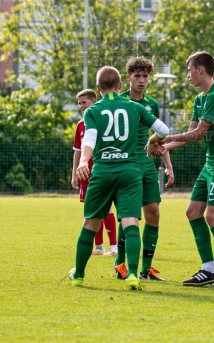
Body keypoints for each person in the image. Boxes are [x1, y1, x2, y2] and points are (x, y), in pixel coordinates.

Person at [66, 66, 168, 290]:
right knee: (131, 222)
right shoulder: (135, 107)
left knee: (90, 223)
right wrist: (152, 143)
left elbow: (89, 140)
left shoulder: (92, 111)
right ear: (120, 85)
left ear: (98, 88)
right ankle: (132, 274)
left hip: (103, 171)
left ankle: (80, 274)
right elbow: (163, 129)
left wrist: (84, 162)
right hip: (130, 172)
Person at [149, 51, 214, 289]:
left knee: (212, 216)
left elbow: (199, 133)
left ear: (200, 70)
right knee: (193, 212)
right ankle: (209, 269)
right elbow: (190, 135)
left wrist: (165, 137)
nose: (187, 75)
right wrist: (166, 145)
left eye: (189, 70)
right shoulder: (199, 99)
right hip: (211, 162)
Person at [113, 57, 174, 282]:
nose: (141, 80)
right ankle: (120, 264)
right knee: (128, 217)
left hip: (147, 162)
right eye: (137, 76)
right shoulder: (118, 101)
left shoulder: (152, 104)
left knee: (154, 214)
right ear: (127, 78)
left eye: (145, 76)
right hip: (126, 162)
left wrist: (168, 166)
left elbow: (158, 136)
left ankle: (146, 269)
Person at [71, 89, 118, 257]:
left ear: (93, 101)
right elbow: (77, 151)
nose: (81, 106)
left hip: (102, 169)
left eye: (84, 102)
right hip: (85, 173)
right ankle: (99, 246)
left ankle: (114, 246)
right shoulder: (80, 125)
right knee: (91, 208)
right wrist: (74, 173)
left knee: (107, 209)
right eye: (79, 103)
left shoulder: (103, 120)